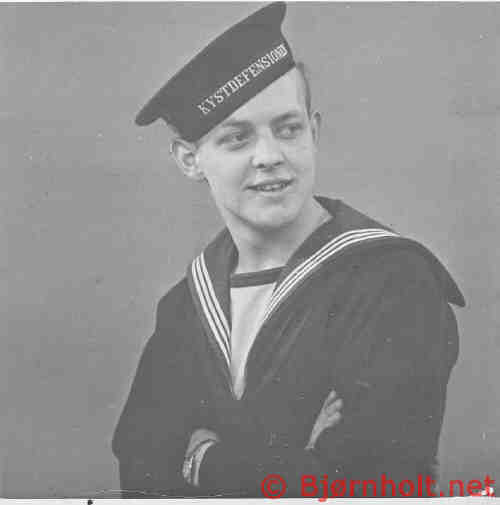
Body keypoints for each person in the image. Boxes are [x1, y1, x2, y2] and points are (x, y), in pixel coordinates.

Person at [112, 2, 465, 498]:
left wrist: (205, 460)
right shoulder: (185, 307)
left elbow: (375, 484)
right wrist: (295, 461)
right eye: (237, 138)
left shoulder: (391, 280)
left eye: (288, 128)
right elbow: (142, 472)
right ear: (190, 160)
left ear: (314, 132)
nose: (270, 156)